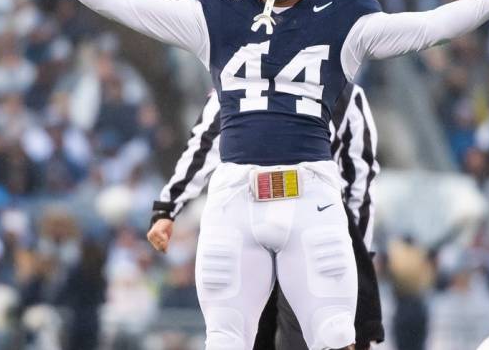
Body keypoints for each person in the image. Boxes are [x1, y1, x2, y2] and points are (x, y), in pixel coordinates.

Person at [0, 0, 489, 348]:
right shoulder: (215, 10)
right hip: (233, 198)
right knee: (225, 340)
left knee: (337, 336)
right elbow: (125, 2)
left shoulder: (347, 17)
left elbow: (430, 27)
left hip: (312, 193)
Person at [146, 83, 383, 349]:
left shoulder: (238, 81)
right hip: (305, 230)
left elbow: (359, 185)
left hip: (294, 230)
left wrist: (167, 207)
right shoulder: (339, 88)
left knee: (240, 335)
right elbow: (359, 186)